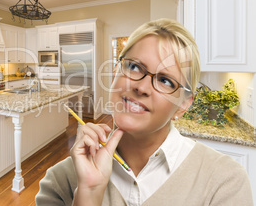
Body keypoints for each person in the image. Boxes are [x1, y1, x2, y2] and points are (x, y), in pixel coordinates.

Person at [35, 18, 253, 205]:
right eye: (134, 67)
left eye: (166, 80)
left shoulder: (225, 182)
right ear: (114, 73)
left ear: (184, 105)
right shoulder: (60, 181)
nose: (141, 87)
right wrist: (89, 194)